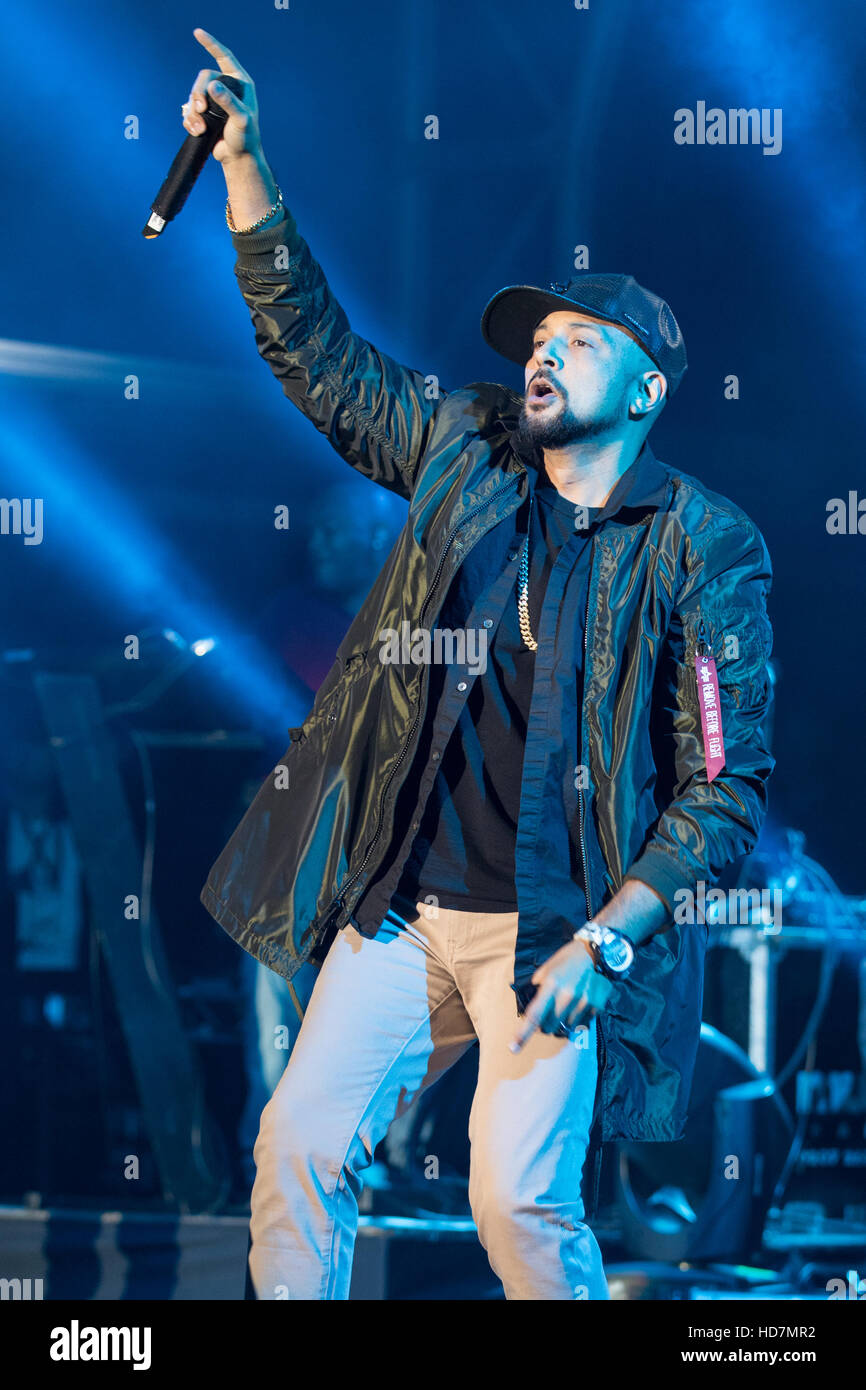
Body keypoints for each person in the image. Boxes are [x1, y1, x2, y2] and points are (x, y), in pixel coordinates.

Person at [186, 28, 775, 1300]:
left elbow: (724, 784)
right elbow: (326, 366)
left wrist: (609, 941)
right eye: (535, 337)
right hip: (404, 903)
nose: (542, 353)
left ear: (649, 389)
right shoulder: (465, 447)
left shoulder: (701, 546)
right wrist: (248, 172)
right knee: (294, 1147)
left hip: (556, 925)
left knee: (511, 1198)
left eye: (579, 339)